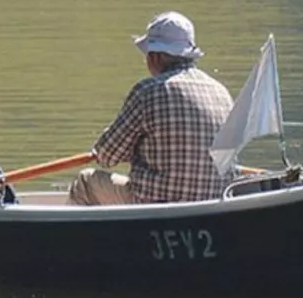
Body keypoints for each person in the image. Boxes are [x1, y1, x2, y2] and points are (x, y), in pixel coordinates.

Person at [70, 11, 234, 206]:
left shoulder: (148, 91)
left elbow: (107, 155)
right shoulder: (222, 92)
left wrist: (132, 150)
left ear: (155, 56)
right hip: (213, 204)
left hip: (154, 204)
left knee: (86, 181)